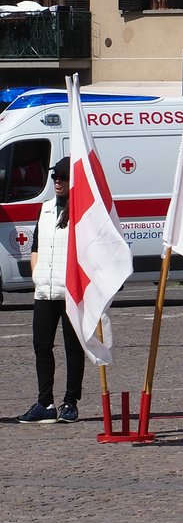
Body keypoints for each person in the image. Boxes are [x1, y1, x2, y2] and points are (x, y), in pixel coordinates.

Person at [17, 157, 84, 424]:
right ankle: (45, 403)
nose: (58, 181)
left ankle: (71, 402)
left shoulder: (81, 211)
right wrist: (36, 273)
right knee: (41, 346)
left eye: (64, 177)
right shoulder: (45, 210)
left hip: (70, 291)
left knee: (73, 348)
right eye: (56, 177)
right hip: (45, 290)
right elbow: (35, 246)